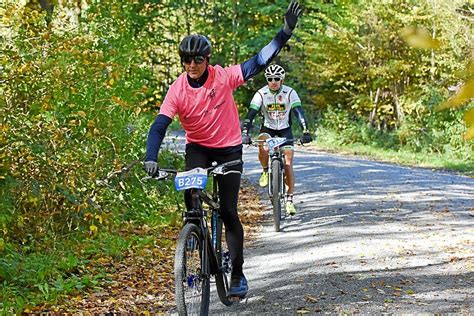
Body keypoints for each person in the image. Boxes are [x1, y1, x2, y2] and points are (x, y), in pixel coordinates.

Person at [143, 1, 303, 299]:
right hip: (199, 149)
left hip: (229, 149)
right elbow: (159, 126)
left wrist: (285, 32)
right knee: (192, 204)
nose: (191, 65)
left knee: (228, 210)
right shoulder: (177, 89)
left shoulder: (223, 76)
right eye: (186, 60)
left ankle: (238, 273)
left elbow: (259, 60)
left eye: (197, 60)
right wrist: (150, 157)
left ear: (207, 59)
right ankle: (195, 239)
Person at [241, 64, 312, 216]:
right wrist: (245, 131)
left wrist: (306, 130)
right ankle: (266, 171)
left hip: (285, 130)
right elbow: (251, 113)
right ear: (267, 79)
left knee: (288, 164)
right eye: (270, 79)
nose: (273, 81)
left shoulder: (290, 92)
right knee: (263, 145)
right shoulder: (261, 93)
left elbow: (298, 111)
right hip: (268, 128)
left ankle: (289, 200)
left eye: (277, 79)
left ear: (282, 79)